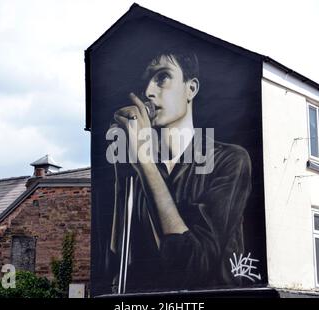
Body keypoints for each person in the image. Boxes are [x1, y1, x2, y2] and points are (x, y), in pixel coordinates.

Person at [106, 49, 253, 293]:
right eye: (144, 83)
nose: (148, 92)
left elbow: (192, 267)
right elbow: (116, 266)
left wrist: (144, 163)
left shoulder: (230, 160)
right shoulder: (138, 166)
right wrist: (124, 177)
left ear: (191, 88)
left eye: (162, 77)